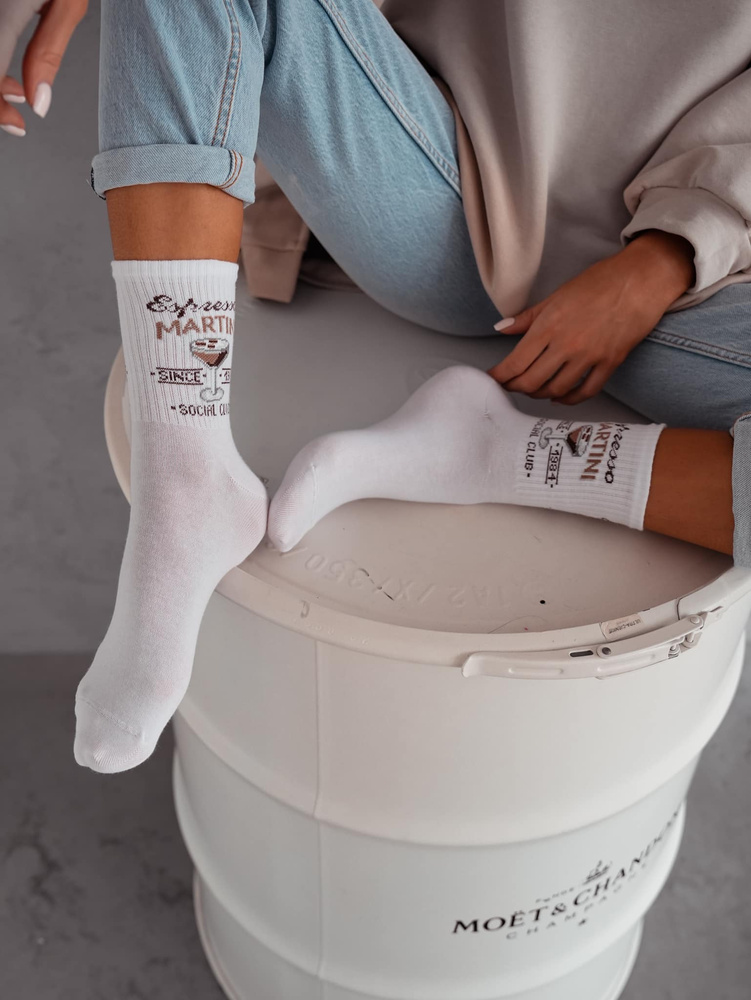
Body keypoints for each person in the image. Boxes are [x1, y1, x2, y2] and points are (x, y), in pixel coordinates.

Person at [2, 0, 749, 774]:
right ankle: (185, 479)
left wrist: (668, 254)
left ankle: (494, 452)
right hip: (459, 183)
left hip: (715, 272)